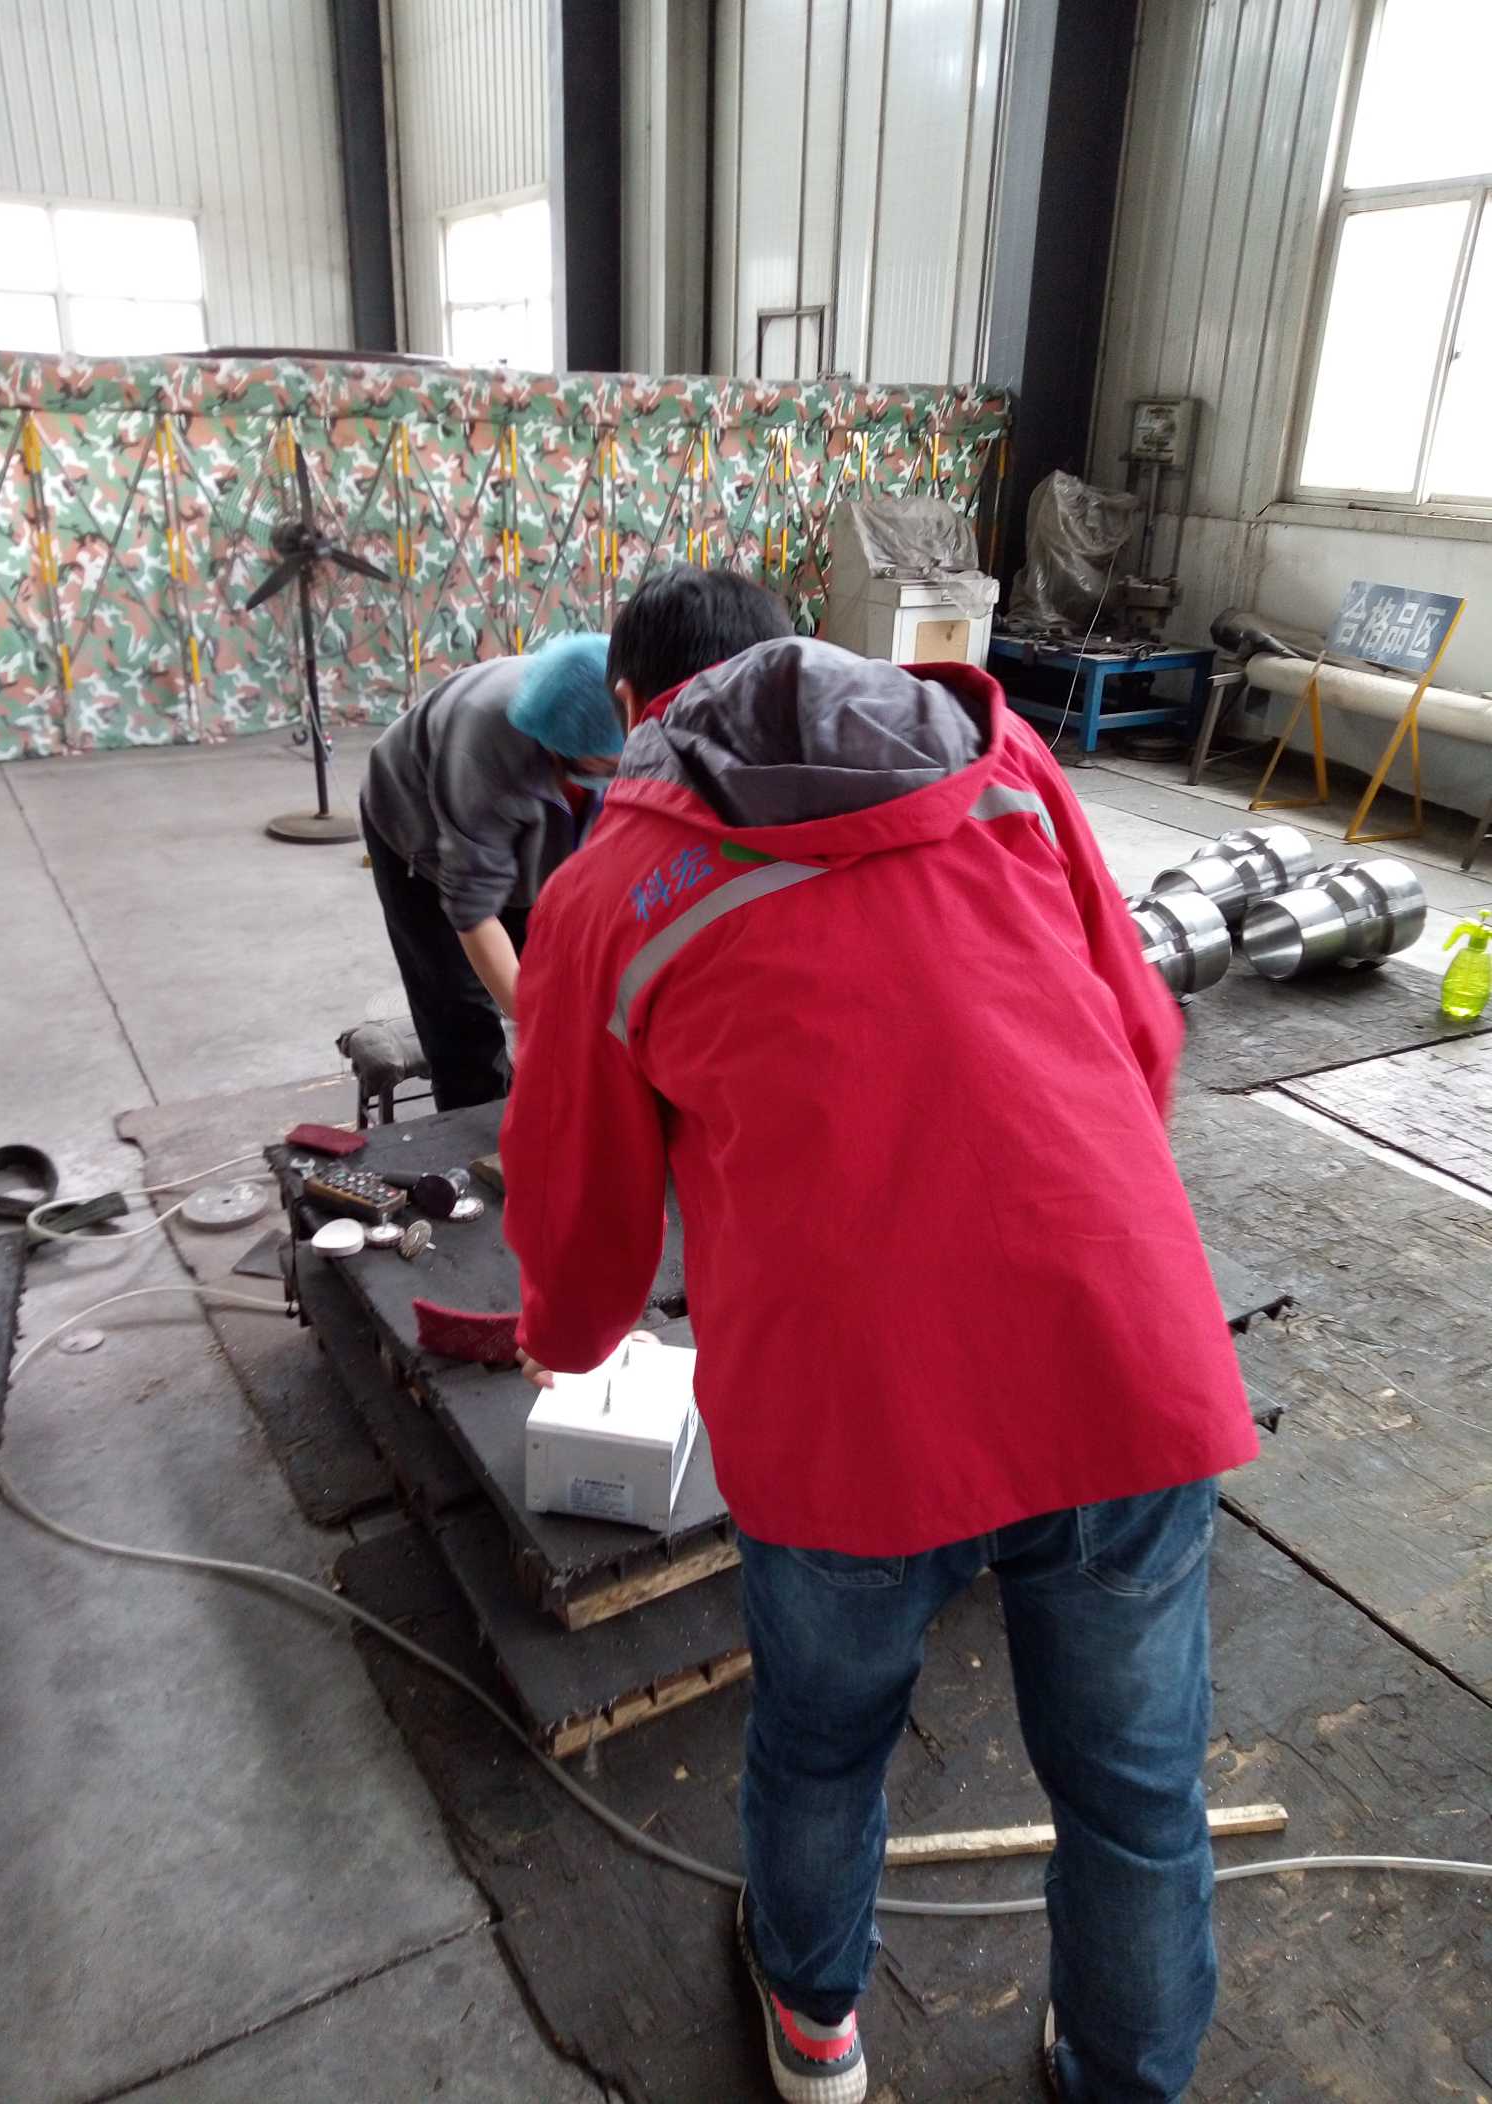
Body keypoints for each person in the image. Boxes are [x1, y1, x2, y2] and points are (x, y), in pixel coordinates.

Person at [499, 616, 1260, 2103]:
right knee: (1135, 1793)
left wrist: (563, 1341)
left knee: (823, 1749)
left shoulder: (604, 892)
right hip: (1120, 1364)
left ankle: (816, 2030)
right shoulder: (1003, 757)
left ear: (638, 706)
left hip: (844, 1428)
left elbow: (579, 1207)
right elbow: (1141, 1033)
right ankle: (1128, 2077)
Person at [359, 635, 624, 1109]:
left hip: (533, 806)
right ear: (557, 750)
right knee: (460, 1009)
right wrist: (539, 1022)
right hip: (417, 826)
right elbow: (474, 909)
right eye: (608, 762)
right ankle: (475, 1125)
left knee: (558, 973)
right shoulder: (482, 751)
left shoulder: (630, 707)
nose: (621, 766)